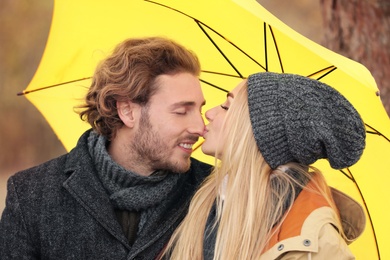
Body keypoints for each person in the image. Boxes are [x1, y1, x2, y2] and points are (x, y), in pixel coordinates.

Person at [0, 37, 211, 259]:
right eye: (181, 111)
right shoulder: (31, 195)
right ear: (128, 111)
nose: (200, 127)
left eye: (199, 109)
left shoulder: (211, 192)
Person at [163, 72, 367, 259]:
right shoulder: (205, 200)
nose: (210, 114)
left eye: (226, 107)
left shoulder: (320, 248)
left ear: (261, 133)